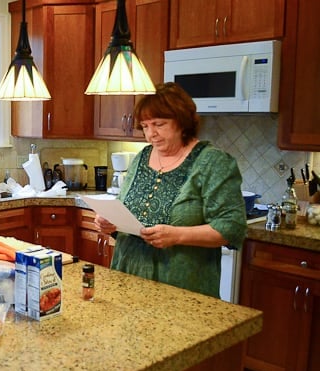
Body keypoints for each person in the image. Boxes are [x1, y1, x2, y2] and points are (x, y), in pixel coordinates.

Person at [95, 82, 246, 298]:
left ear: (182, 122)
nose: (151, 134)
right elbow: (125, 208)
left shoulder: (213, 162)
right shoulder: (142, 157)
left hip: (182, 287)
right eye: (145, 126)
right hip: (128, 278)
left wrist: (177, 235)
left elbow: (231, 227)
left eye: (159, 124)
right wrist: (110, 223)